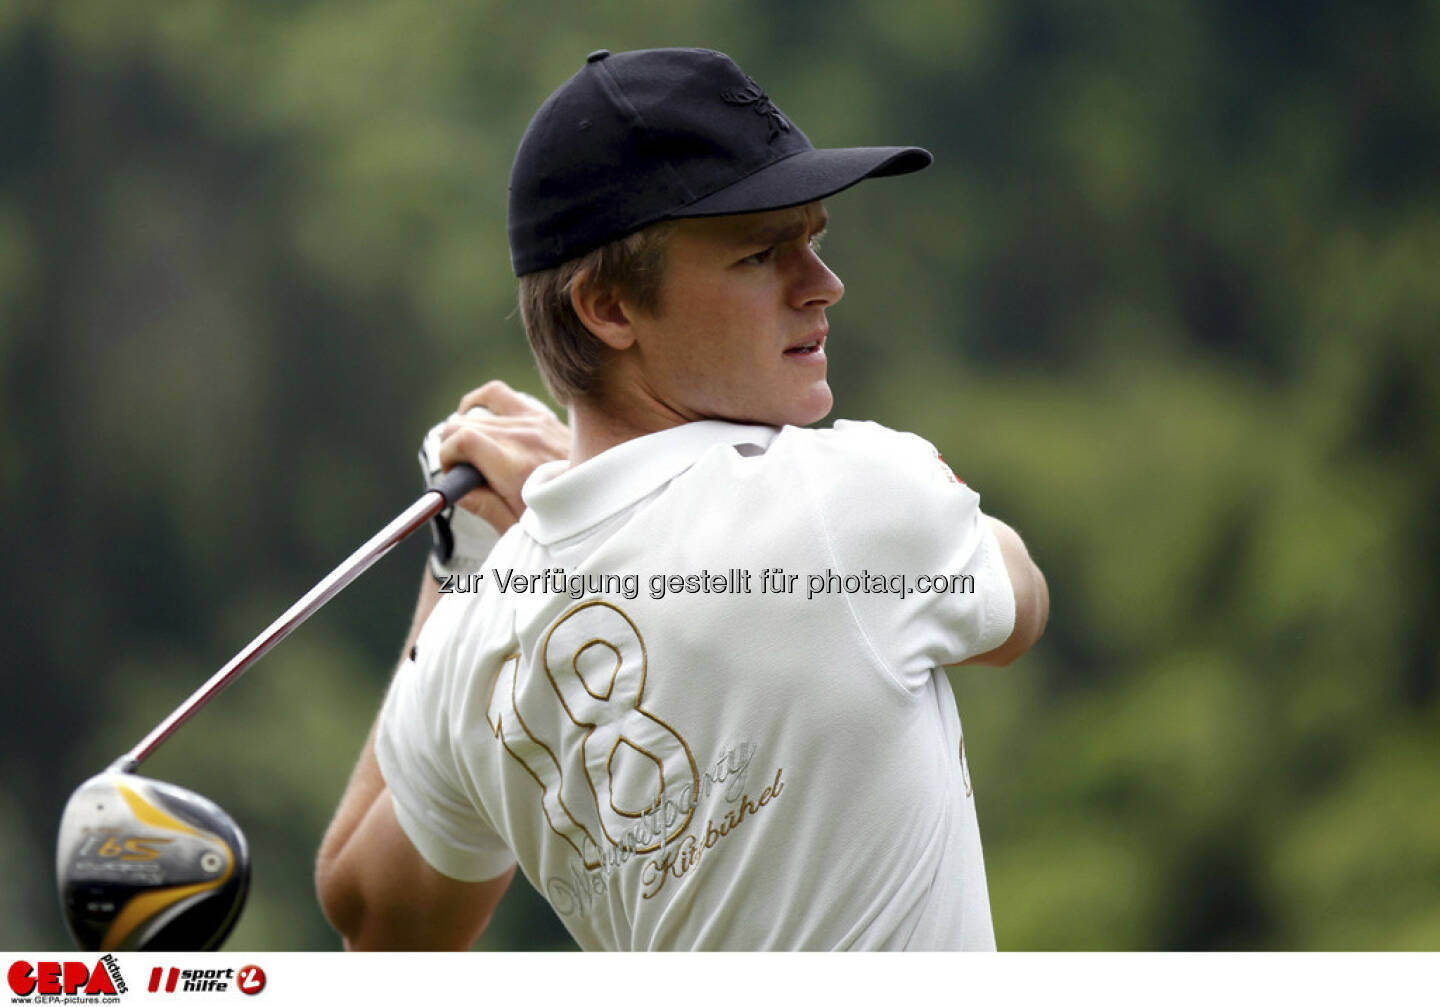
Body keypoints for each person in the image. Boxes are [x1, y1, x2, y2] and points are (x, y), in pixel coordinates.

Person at [315, 47, 1048, 951]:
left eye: (814, 240)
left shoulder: (476, 635)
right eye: (762, 253)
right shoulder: (852, 500)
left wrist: (467, 560)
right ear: (609, 307)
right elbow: (1019, 608)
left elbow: (377, 920)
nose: (823, 284)